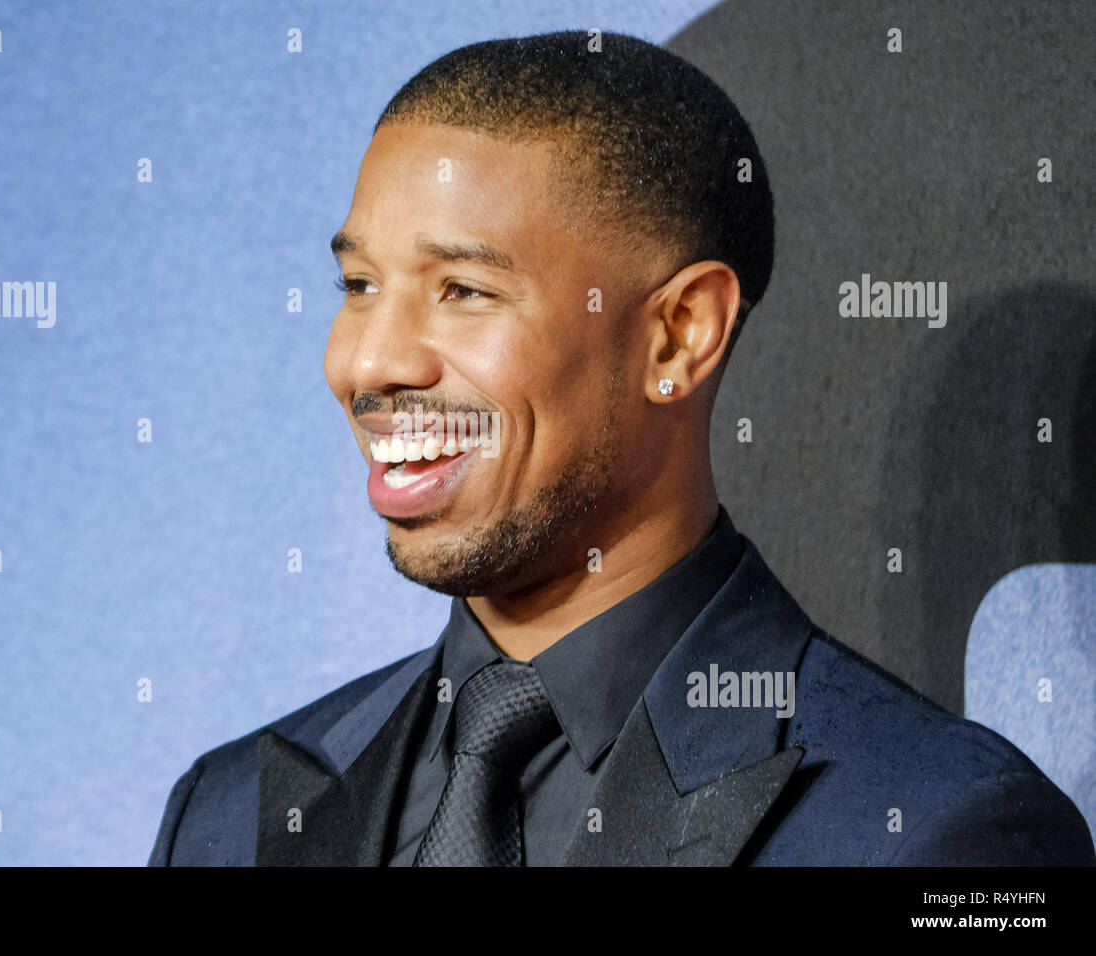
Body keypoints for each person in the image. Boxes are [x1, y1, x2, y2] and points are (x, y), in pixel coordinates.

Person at [148, 31, 1094, 866]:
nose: (369, 360)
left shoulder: (939, 829)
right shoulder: (225, 818)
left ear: (678, 335)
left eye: (464, 291)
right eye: (357, 284)